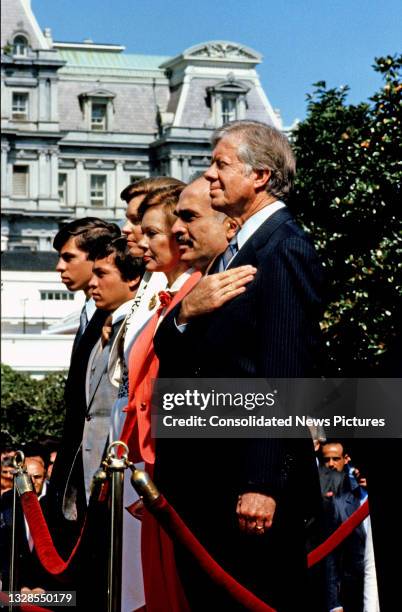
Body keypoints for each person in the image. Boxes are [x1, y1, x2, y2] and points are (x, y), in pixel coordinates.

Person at [153, 120, 325, 611]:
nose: (209, 175)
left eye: (221, 164)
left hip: (247, 492)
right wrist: (184, 312)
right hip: (209, 483)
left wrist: (262, 484)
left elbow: (284, 375)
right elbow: (178, 351)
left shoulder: (283, 246)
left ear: (260, 176)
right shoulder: (234, 254)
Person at [47, 218, 120, 550]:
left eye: (68, 257)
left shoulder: (116, 316)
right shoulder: (88, 314)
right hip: (72, 465)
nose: (59, 267)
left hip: (103, 469)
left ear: (96, 257)